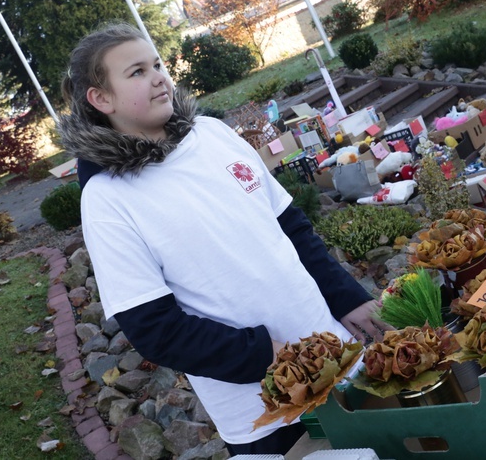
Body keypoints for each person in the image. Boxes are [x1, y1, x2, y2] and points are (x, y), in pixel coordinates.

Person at [56, 23, 390, 456]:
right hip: (265, 412)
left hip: (340, 360)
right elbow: (156, 330)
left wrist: (345, 298)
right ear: (101, 99)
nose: (159, 77)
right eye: (136, 72)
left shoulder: (212, 134)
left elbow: (291, 229)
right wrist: (266, 356)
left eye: (157, 64)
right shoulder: (107, 198)